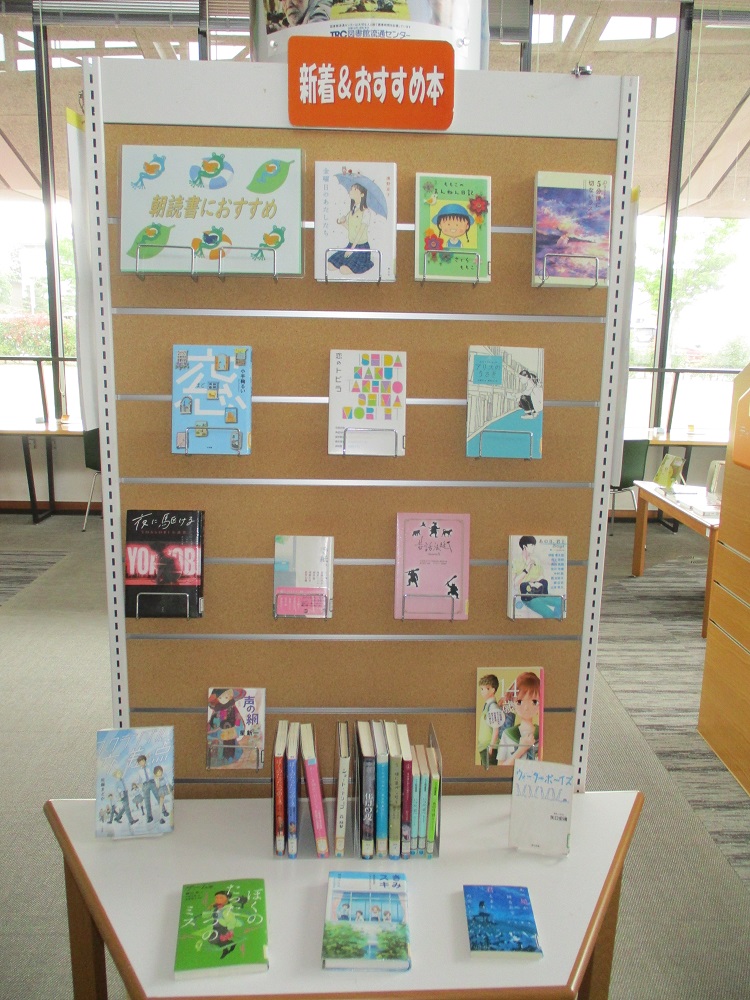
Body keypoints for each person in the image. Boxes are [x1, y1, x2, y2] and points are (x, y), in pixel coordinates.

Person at [327, 182, 374, 276]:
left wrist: (351, 249)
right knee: (330, 265)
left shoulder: (366, 212)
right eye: (351, 189)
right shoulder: (352, 210)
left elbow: (360, 232)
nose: (351, 191)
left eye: (355, 189)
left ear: (362, 194)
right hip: (351, 244)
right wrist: (343, 223)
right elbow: (351, 229)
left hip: (361, 247)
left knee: (343, 270)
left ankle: (367, 263)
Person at [497, 672, 541, 764]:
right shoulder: (507, 734)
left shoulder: (542, 734)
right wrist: (521, 749)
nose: (526, 707)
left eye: (534, 702)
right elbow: (500, 767)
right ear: (512, 703)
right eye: (519, 702)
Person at [477, 673, 505, 768]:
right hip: (484, 747)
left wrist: (491, 746)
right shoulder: (488, 706)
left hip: (489, 748)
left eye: (485, 689)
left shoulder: (492, 707)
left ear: (492, 690)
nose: (482, 691)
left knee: (488, 770)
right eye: (481, 689)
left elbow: (496, 729)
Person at [511, 535, 548, 600]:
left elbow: (542, 576)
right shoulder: (515, 561)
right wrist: (526, 570)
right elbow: (514, 583)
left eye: (534, 545)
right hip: (525, 594)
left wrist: (535, 581)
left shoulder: (536, 560)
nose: (533, 547)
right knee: (524, 586)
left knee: (544, 582)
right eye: (531, 545)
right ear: (524, 546)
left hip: (538, 589)